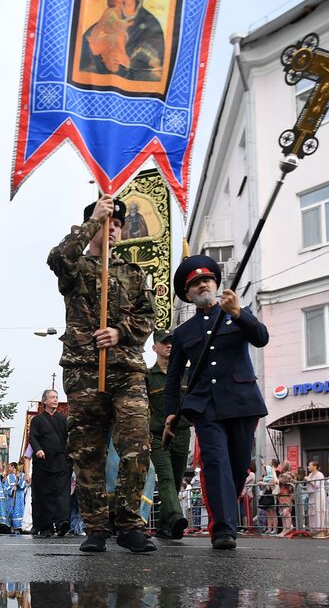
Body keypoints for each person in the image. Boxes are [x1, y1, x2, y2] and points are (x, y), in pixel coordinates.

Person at [48, 195, 156, 554]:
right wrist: (93, 219)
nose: (113, 229)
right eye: (107, 223)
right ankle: (95, 527)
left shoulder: (133, 272)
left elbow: (147, 316)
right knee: (87, 452)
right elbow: (57, 257)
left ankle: (128, 522)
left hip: (126, 370)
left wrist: (120, 332)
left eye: (117, 224)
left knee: (137, 445)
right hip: (84, 371)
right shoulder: (75, 268)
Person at [164, 255, 269, 550]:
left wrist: (239, 314)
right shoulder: (184, 333)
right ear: (188, 295)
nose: (202, 285)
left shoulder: (237, 312)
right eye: (195, 284)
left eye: (206, 280)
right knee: (215, 464)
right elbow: (173, 380)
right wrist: (171, 414)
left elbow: (261, 338)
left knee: (236, 469)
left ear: (216, 283)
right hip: (206, 407)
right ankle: (223, 529)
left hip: (242, 403)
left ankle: (225, 515)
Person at [80, 0, 165, 82]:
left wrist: (128, 61)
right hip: (106, 81)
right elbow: (86, 43)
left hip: (135, 81)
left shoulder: (150, 22)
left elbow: (156, 56)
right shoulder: (111, 15)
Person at [146, 329, 189, 539]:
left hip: (182, 432)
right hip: (157, 435)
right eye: (164, 343)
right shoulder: (148, 377)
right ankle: (175, 517)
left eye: (171, 342)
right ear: (155, 348)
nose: (169, 345)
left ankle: (164, 526)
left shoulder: (186, 373)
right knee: (166, 478)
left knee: (177, 479)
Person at [28, 389, 72, 538]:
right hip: (44, 464)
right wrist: (38, 449)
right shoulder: (37, 420)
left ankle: (62, 522)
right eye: (52, 397)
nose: (55, 400)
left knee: (62, 494)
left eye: (56, 397)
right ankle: (45, 526)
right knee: (44, 495)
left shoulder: (63, 419)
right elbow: (32, 438)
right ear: (44, 401)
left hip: (61, 463)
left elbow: (69, 439)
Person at [303, 460, 329, 538]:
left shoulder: (319, 474)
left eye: (309, 465)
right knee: (313, 512)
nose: (308, 467)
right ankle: (315, 530)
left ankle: (321, 530)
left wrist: (309, 480)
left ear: (315, 466)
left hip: (318, 494)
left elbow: (317, 485)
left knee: (319, 511)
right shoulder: (310, 474)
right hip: (312, 495)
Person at [2, 461, 28, 534]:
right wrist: (12, 490)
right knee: (11, 511)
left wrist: (18, 480)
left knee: (20, 512)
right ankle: (12, 527)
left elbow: (24, 485)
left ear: (13, 467)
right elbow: (6, 487)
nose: (8, 468)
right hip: (11, 498)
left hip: (19, 498)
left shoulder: (22, 475)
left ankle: (20, 527)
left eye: (9, 466)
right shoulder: (9, 477)